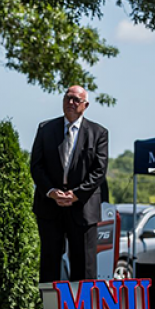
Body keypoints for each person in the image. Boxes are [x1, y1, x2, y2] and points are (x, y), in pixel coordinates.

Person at [30, 85, 108, 283]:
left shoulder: (98, 133)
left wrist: (76, 194)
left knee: (84, 262)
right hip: (50, 205)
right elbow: (36, 166)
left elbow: (99, 170)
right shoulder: (45, 129)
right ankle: (49, 307)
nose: (71, 103)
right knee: (50, 259)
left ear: (86, 105)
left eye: (76, 100)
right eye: (67, 98)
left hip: (83, 208)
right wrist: (51, 192)